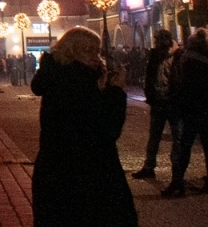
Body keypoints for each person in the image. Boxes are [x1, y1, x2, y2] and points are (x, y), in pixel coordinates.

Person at [31, 26, 136, 227]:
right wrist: (115, 91)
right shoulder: (76, 81)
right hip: (85, 177)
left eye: (96, 50)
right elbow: (107, 129)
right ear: (71, 52)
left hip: (57, 172)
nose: (94, 56)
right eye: (87, 50)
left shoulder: (60, 77)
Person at [161, 29, 208, 197]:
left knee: (185, 146)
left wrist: (178, 104)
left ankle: (177, 182)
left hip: (192, 109)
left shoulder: (188, 61)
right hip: (207, 109)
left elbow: (182, 85)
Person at [131, 29, 176, 180]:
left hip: (163, 102)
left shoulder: (159, 56)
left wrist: (150, 96)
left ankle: (151, 166)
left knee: (157, 136)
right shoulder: (174, 55)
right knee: (172, 137)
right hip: (168, 102)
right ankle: (174, 170)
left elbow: (149, 78)